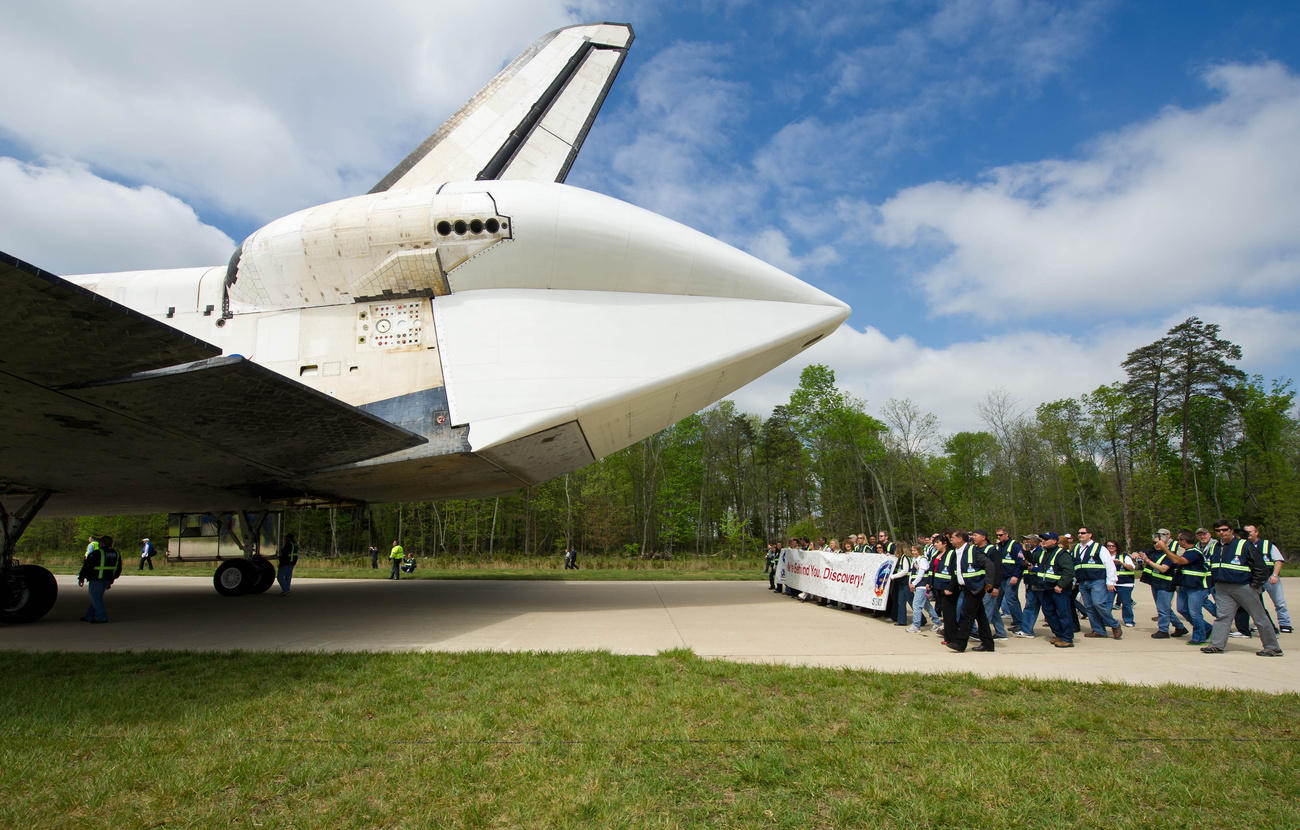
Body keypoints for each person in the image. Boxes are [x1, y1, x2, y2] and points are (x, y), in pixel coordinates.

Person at [1203, 520, 1282, 657]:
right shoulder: (1214, 547)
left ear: (1231, 530)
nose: (1221, 533)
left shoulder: (1244, 545)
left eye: (1224, 529)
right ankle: (1216, 645)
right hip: (1222, 587)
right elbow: (1211, 568)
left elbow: (1261, 568)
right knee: (1222, 617)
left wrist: (1255, 586)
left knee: (1259, 617)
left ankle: (1272, 648)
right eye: (1218, 530)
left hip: (1243, 586)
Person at [949, 530, 999, 653]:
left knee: (967, 615)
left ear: (960, 539)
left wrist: (989, 583)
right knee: (980, 616)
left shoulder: (973, 551)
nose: (951, 540)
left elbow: (990, 566)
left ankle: (960, 644)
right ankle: (988, 644)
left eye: (953, 537)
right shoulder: (957, 552)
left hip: (975, 588)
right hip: (966, 588)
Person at [1135, 531, 1187, 639]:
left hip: (1166, 584)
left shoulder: (1169, 554)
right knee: (1163, 607)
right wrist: (1136, 554)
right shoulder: (1153, 552)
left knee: (1163, 609)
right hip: (1155, 583)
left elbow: (1164, 569)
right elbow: (1139, 553)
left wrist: (1147, 560)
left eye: (1159, 543)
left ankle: (1163, 630)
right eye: (1154, 543)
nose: (1156, 545)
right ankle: (1179, 627)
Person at [1075, 527, 1121, 640]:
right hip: (1082, 581)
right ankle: (1098, 630)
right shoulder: (1076, 548)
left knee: (1098, 604)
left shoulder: (1099, 548)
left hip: (1097, 581)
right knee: (1089, 607)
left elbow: (1109, 565)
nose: (1080, 535)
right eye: (1079, 533)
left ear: (1090, 535)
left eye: (1083, 533)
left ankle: (1114, 625)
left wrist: (1111, 581)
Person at [1167, 530, 1213, 646]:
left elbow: (1177, 560)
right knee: (1182, 609)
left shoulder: (1194, 552)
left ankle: (1199, 638)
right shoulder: (1188, 552)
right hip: (1185, 585)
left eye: (1179, 540)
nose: (1178, 542)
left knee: (1195, 612)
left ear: (1184, 541)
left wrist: (1164, 548)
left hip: (1196, 587)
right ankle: (1206, 627)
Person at [1247, 525, 1291, 634]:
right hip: (1255, 579)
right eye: (1246, 532)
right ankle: (1261, 623)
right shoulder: (1245, 545)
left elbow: (1278, 560)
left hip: (1269, 577)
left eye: (1250, 532)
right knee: (1256, 603)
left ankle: (1285, 624)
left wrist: (1275, 575)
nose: (1248, 534)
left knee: (1279, 602)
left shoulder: (1268, 545)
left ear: (1256, 532)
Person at [1035, 532, 1075, 648]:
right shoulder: (1044, 553)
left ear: (1054, 541)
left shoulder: (1062, 554)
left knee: (1064, 613)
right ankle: (1058, 634)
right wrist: (1026, 551)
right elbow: (1032, 558)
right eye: (1042, 539)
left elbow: (1069, 572)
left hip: (1060, 589)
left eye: (1046, 539)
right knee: (1048, 610)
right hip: (1047, 587)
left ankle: (1067, 638)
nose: (1043, 541)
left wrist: (1061, 585)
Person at [970, 529, 1006, 640]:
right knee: (993, 608)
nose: (973, 538)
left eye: (975, 535)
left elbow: (998, 569)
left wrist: (995, 586)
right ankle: (1000, 633)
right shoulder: (976, 549)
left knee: (986, 610)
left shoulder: (992, 551)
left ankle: (982, 634)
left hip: (989, 585)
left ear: (983, 537)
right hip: (981, 584)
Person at [78, 534, 122, 622]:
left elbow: (87, 566)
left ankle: (101, 617)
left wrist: (81, 577)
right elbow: (118, 567)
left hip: (96, 579)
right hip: (107, 579)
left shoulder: (97, 553)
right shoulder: (116, 553)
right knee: (97, 598)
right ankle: (89, 616)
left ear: (101, 543)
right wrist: (112, 579)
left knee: (96, 599)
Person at [994, 527, 1024, 635]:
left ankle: (1019, 622)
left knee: (1011, 598)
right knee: (996, 598)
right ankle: (993, 617)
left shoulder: (1015, 546)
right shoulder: (999, 546)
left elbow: (1020, 562)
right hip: (1001, 576)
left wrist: (1016, 576)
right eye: (997, 535)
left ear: (1007, 534)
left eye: (1000, 535)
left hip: (1011, 575)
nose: (998, 537)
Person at [1016, 534, 1045, 638]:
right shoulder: (1024, 552)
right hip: (1029, 583)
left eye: (1028, 541)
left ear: (1035, 543)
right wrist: (1024, 564)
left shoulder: (1041, 552)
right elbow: (1020, 564)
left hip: (1040, 584)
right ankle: (1026, 630)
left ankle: (1060, 631)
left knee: (1047, 608)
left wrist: (1033, 569)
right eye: (1024, 541)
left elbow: (1044, 568)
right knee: (1030, 606)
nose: (1025, 543)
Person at [1108, 540, 1137, 627]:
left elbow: (1132, 568)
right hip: (1111, 583)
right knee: (1108, 602)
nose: (1111, 548)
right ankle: (1107, 619)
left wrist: (1122, 563)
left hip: (1124, 583)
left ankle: (1129, 620)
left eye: (1113, 546)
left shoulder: (1124, 556)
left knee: (1126, 603)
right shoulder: (1104, 556)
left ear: (1117, 547)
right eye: (1108, 546)